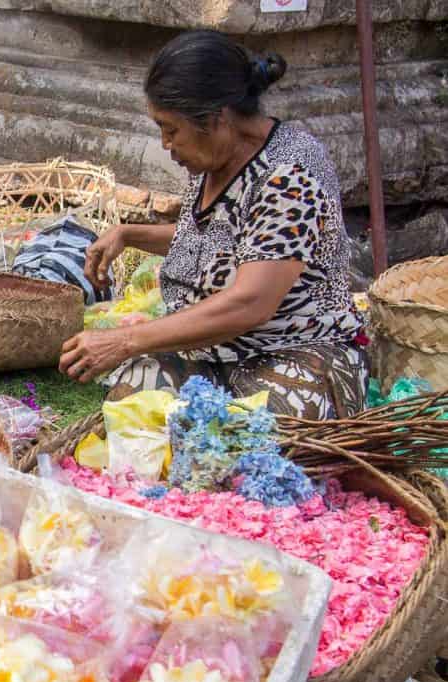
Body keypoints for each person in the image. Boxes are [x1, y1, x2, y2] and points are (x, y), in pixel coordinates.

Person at [59, 31, 366, 420]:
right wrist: (130, 234)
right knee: (131, 407)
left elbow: (251, 301)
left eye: (171, 129)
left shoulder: (291, 172)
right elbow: (224, 241)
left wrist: (125, 340)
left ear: (217, 118)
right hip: (213, 353)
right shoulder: (216, 159)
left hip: (296, 354)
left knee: (246, 439)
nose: (166, 144)